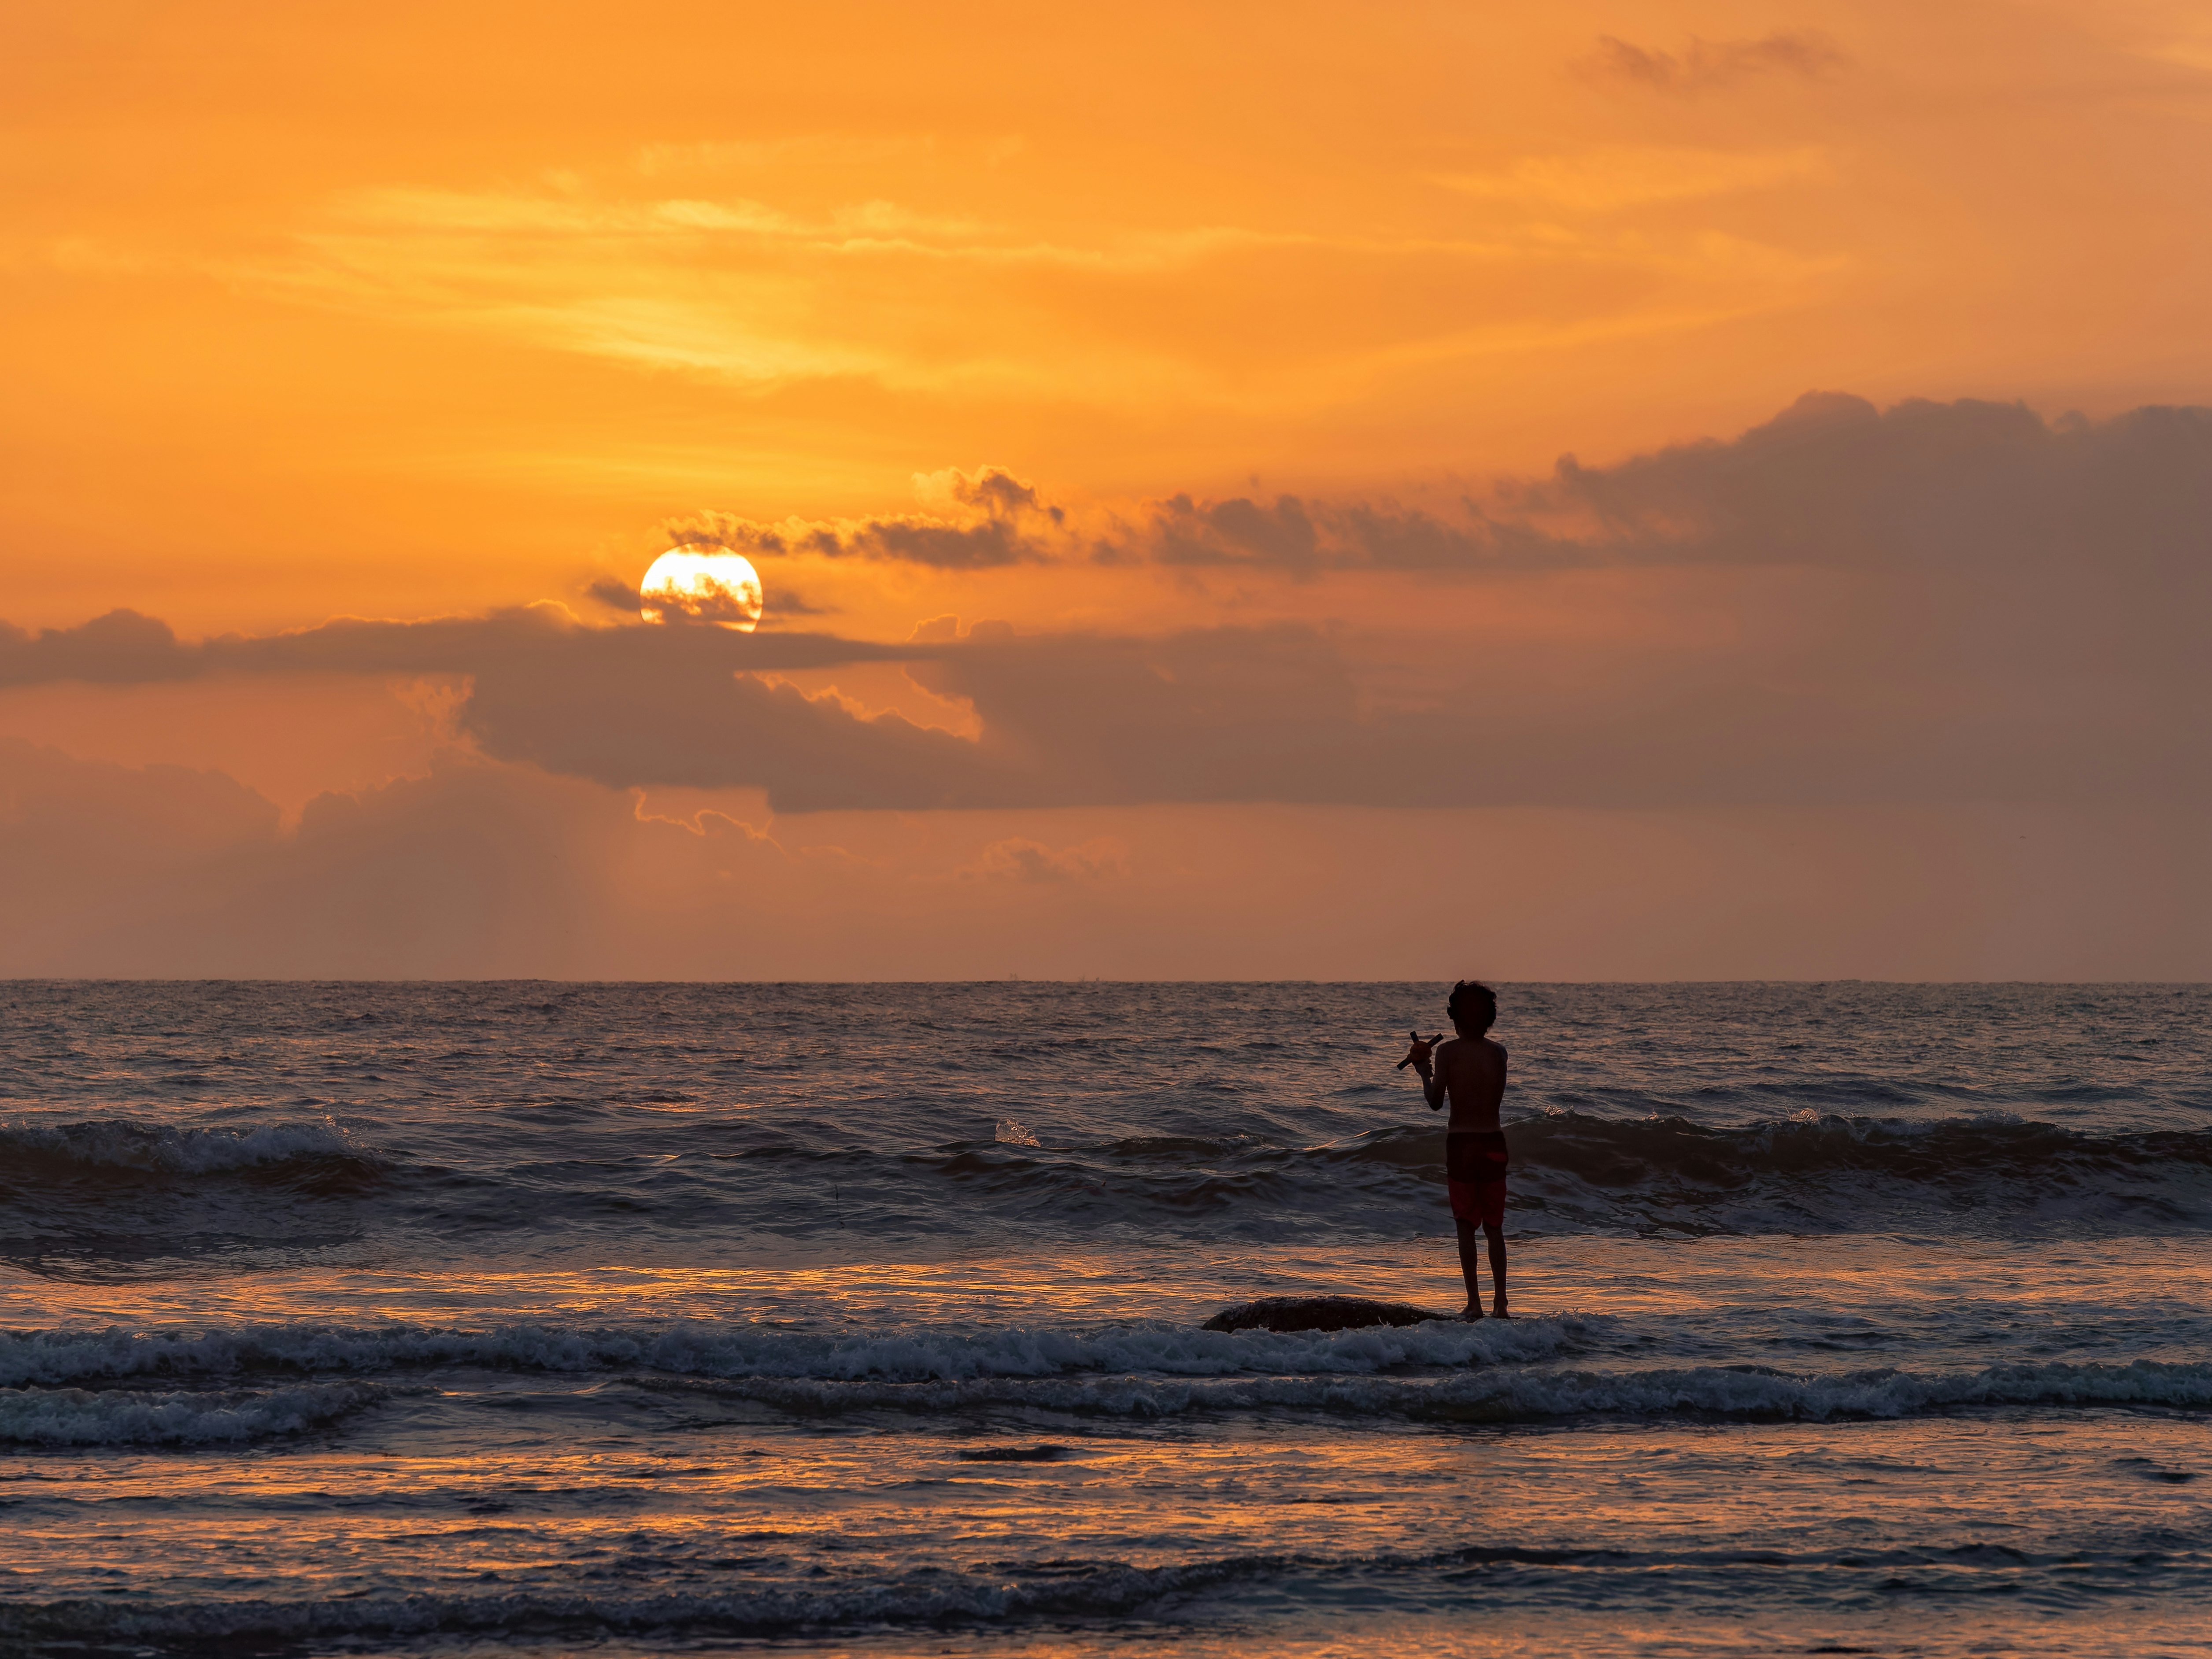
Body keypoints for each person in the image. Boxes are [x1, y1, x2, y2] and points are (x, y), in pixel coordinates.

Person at [1403, 981, 1509, 1319]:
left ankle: (1474, 1304)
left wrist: (1423, 1072)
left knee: (1466, 1226)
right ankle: (1501, 1305)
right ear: (1489, 1019)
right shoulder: (1499, 1053)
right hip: (1494, 1141)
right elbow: (1495, 1101)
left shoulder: (1447, 1053)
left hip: (1461, 1144)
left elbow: (1436, 1103)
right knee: (1495, 1228)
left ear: (1454, 1018)